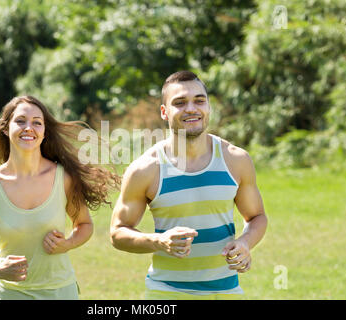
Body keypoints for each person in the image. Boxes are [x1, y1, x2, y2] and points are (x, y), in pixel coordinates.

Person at [110, 71, 268, 299]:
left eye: (199, 100)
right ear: (164, 112)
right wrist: (159, 241)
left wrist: (245, 242)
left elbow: (257, 217)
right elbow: (118, 233)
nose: (191, 109)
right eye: (180, 103)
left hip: (226, 291)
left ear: (208, 107)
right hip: (166, 294)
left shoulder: (236, 160)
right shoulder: (146, 169)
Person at [0, 95, 119, 300]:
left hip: (60, 293)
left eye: (37, 123)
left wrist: (67, 243)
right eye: (20, 121)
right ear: (6, 129)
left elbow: (84, 224)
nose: (29, 128)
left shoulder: (64, 178)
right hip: (5, 294)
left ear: (44, 133)